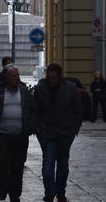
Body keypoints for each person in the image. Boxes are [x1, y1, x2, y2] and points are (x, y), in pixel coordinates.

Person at [0, 65, 35, 202]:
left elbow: (33, 109)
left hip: (20, 135)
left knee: (18, 166)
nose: (16, 78)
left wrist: (30, 126)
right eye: (13, 76)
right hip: (2, 134)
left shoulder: (24, 92)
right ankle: (1, 190)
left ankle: (15, 194)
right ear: (6, 78)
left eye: (17, 76)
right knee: (2, 163)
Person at [32, 63, 82, 202]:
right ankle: (50, 192)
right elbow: (35, 109)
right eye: (50, 77)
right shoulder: (40, 88)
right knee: (48, 165)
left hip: (65, 133)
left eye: (54, 77)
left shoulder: (71, 89)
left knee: (63, 165)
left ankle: (61, 192)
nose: (52, 80)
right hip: (47, 133)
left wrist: (74, 130)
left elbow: (78, 111)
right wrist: (37, 128)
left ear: (60, 76)